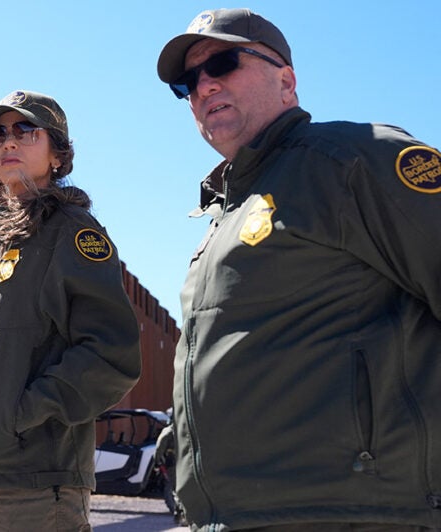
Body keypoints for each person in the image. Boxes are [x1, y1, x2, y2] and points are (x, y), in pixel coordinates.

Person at [157, 8, 441, 531]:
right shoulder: (224, 212)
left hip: (351, 512)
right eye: (187, 81)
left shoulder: (354, 160)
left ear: (286, 80)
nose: (204, 84)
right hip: (230, 517)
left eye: (222, 62)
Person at [0, 90, 142, 531]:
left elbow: (111, 354)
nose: (8, 141)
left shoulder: (74, 233)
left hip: (35, 484)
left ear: (57, 155)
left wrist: (21, 415)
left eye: (25, 130)